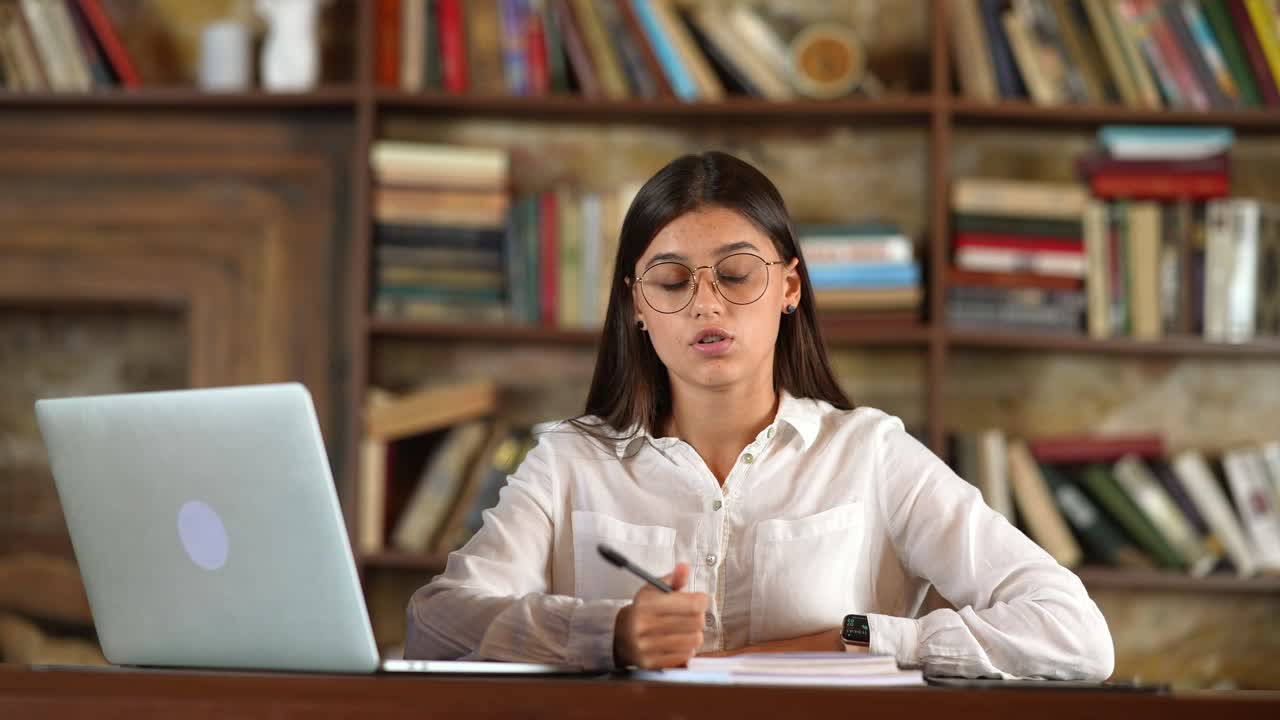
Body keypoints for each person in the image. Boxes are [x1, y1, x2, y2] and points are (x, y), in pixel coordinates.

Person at [403, 151, 1114, 679]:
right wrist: (609, 634)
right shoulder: (569, 460)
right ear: (636, 309)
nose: (707, 305)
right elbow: (438, 620)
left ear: (789, 288)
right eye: (672, 282)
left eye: (736, 274)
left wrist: (862, 637)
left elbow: (1075, 633)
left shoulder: (869, 453)